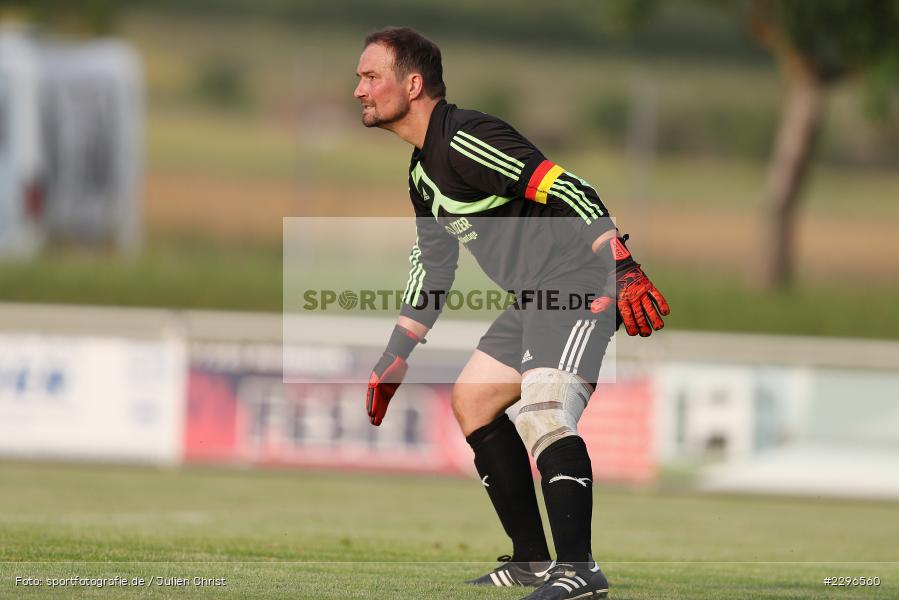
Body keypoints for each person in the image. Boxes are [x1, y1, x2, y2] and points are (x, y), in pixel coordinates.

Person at [356, 26, 669, 600]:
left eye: (371, 76)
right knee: (472, 400)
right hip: (534, 296)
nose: (360, 89)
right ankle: (532, 561)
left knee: (545, 410)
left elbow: (573, 188)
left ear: (413, 82)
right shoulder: (422, 173)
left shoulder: (466, 137)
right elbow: (433, 266)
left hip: (578, 280)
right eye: (361, 78)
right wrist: (394, 356)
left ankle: (580, 571)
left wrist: (622, 264)